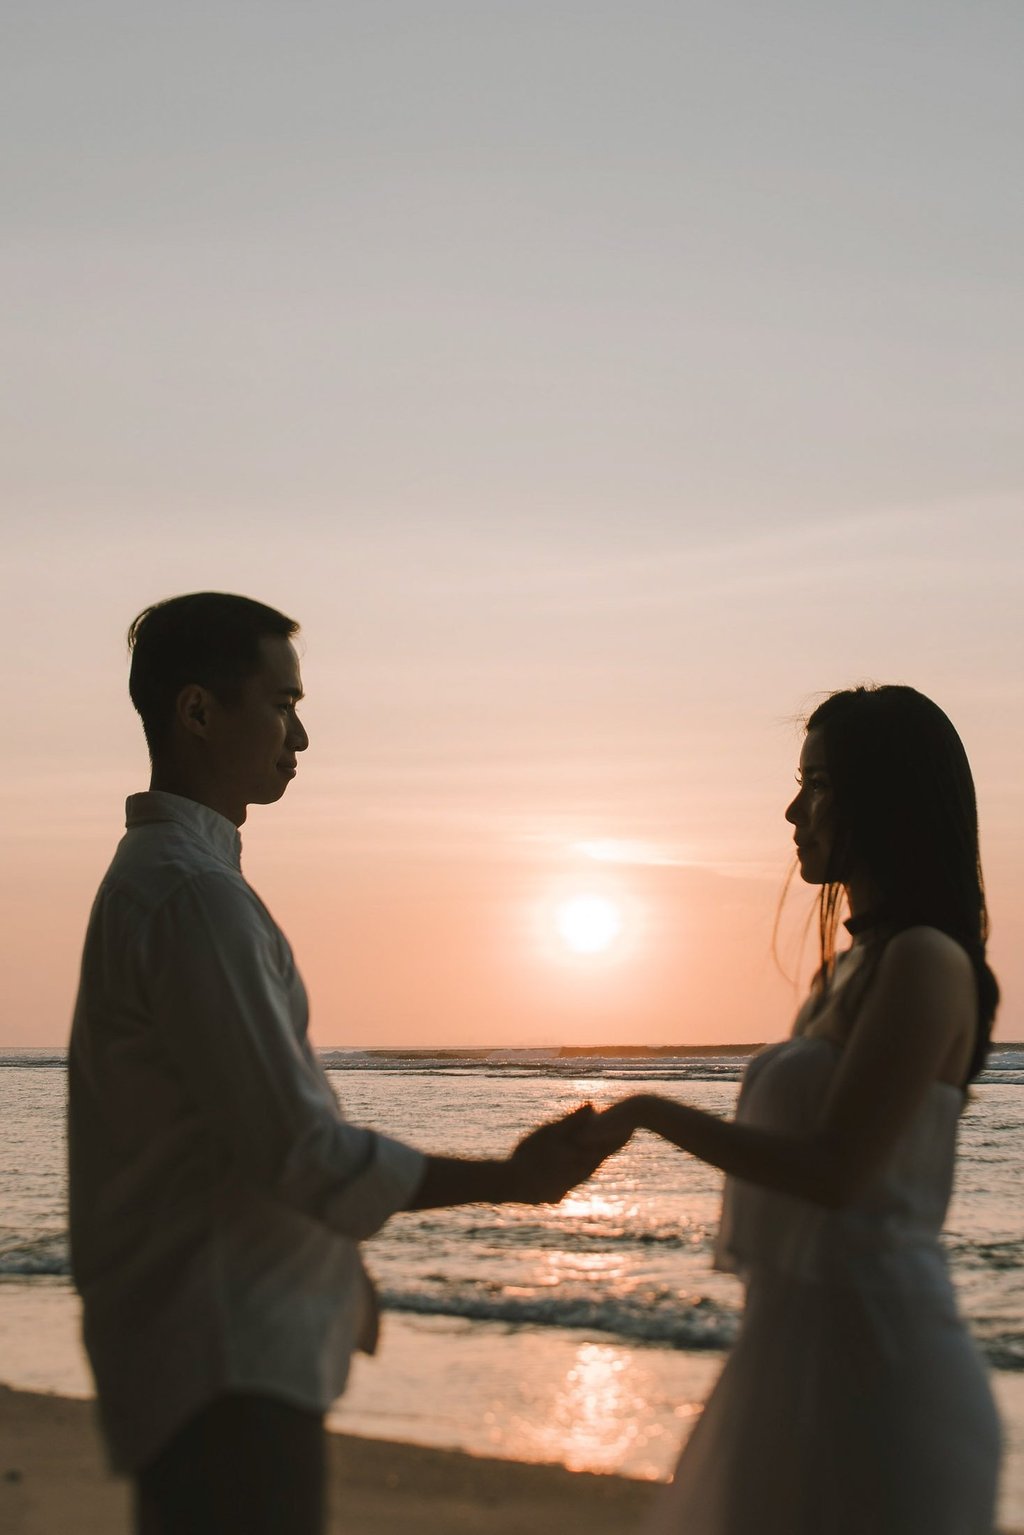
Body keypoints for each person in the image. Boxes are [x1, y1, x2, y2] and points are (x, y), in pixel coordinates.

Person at [67, 592, 613, 1535]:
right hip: (227, 1365)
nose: (302, 735)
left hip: (210, 1354)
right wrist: (511, 1179)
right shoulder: (194, 897)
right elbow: (298, 1151)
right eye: (282, 704)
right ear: (199, 711)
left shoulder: (174, 883)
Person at [588, 685, 1002, 1535]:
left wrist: (648, 1109)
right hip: (790, 1352)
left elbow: (838, 1171)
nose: (792, 808)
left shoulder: (926, 961)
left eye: (816, 784)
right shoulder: (842, 972)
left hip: (886, 1373)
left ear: (886, 798)